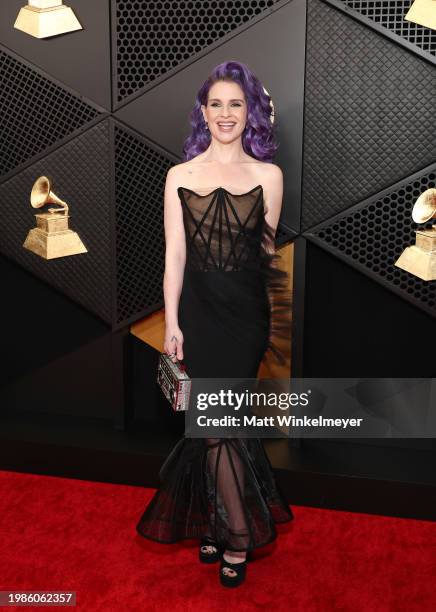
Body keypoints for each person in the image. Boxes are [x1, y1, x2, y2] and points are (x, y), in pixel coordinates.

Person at [136, 60, 294, 588]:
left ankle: (237, 532)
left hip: (245, 317)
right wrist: (173, 322)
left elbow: (264, 256)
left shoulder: (268, 176)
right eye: (216, 104)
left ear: (250, 113)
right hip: (198, 317)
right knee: (207, 429)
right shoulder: (179, 176)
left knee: (221, 427)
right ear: (203, 112)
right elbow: (174, 257)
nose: (225, 113)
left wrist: (267, 323)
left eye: (236, 104)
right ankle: (222, 521)